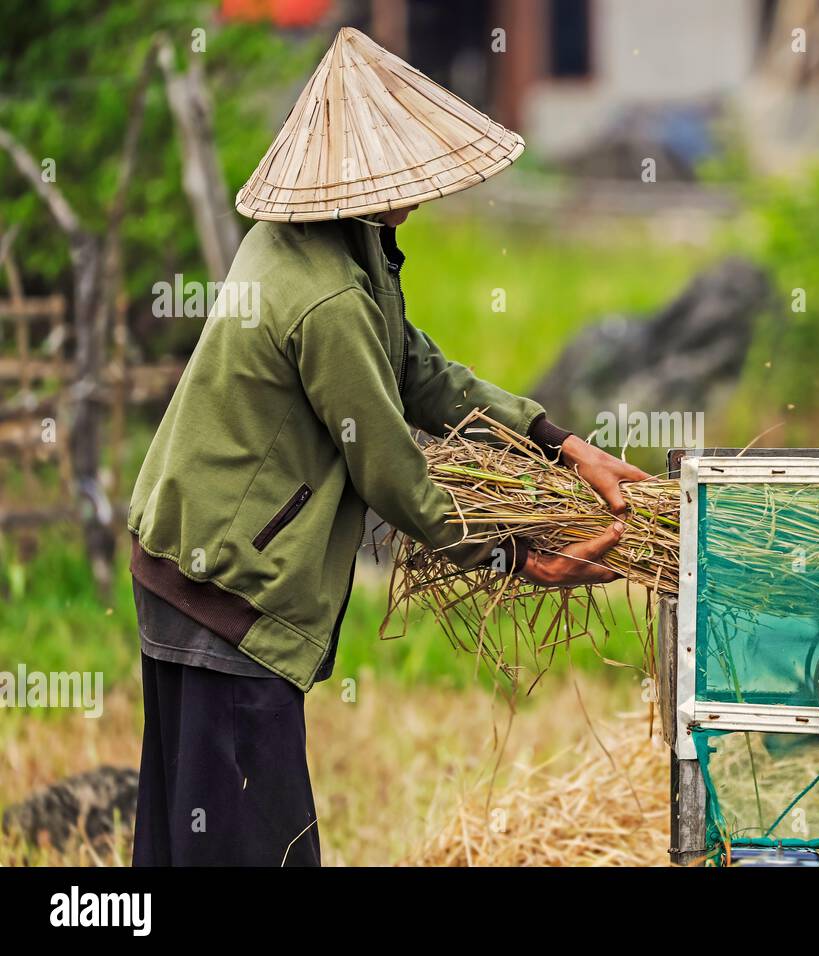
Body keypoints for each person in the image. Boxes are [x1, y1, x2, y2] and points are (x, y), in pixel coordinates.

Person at [127, 27, 647, 866]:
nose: (419, 192)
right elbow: (391, 472)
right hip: (224, 581)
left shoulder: (341, 238)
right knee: (253, 843)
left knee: (198, 839)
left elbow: (412, 364)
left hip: (199, 559)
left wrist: (558, 443)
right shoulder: (323, 293)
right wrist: (515, 555)